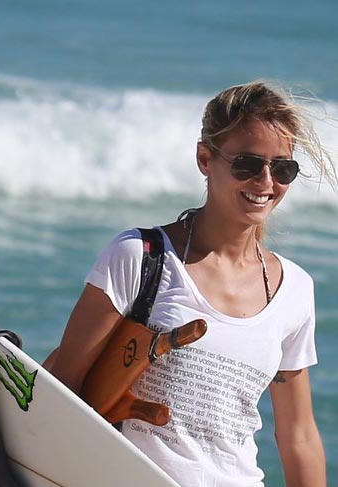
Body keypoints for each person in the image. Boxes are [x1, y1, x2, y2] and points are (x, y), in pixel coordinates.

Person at [47, 81, 334, 487]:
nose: (265, 182)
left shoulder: (294, 290)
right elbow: (62, 391)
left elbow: (298, 436)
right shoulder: (141, 257)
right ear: (205, 158)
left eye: (282, 168)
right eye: (247, 165)